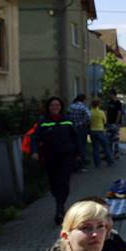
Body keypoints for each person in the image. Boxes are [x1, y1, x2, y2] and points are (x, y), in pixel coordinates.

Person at [31, 96, 80, 225]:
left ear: (61, 107)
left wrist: (78, 153)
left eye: (57, 105)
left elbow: (75, 138)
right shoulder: (43, 122)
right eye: (52, 105)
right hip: (50, 157)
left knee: (63, 182)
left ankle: (59, 209)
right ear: (48, 107)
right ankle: (60, 204)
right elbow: (35, 138)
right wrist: (35, 151)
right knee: (53, 184)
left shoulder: (68, 121)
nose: (55, 107)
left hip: (66, 156)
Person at [89, 99, 114, 168]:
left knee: (95, 148)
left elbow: (88, 121)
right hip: (100, 130)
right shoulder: (101, 112)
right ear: (98, 104)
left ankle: (97, 164)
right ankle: (110, 161)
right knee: (106, 146)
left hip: (92, 131)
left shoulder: (90, 112)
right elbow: (105, 121)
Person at [68, 94, 91, 171]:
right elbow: (88, 117)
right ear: (83, 99)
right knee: (82, 146)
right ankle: (81, 165)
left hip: (72, 128)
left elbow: (67, 115)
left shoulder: (71, 106)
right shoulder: (83, 107)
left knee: (75, 146)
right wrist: (82, 122)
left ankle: (74, 164)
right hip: (81, 128)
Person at [105, 89, 124, 160]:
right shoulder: (109, 102)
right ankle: (109, 154)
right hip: (109, 123)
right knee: (108, 139)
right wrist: (106, 121)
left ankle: (116, 154)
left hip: (115, 123)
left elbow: (119, 113)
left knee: (115, 139)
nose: (108, 95)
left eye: (109, 94)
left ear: (112, 94)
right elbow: (108, 112)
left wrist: (117, 122)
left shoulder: (118, 103)